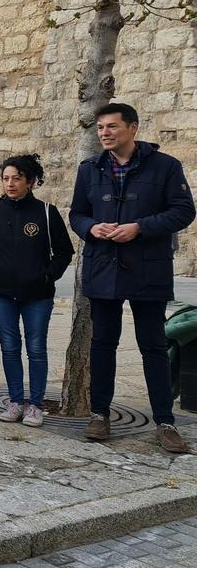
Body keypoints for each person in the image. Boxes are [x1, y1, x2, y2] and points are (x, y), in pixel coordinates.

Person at [70, 102, 196, 453]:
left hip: (148, 269)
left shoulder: (166, 166)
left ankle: (164, 422)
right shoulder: (89, 169)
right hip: (103, 268)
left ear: (133, 128)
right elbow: (77, 214)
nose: (105, 133)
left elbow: (184, 211)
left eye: (112, 126)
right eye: (100, 128)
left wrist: (139, 228)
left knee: (154, 347)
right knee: (102, 345)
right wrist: (92, 227)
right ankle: (99, 415)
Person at [0, 155, 73, 427]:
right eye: (6, 178)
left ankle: (36, 405)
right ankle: (16, 401)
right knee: (9, 347)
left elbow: (64, 252)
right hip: (0, 293)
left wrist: (47, 276)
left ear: (30, 181)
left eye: (17, 178)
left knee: (36, 348)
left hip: (37, 295)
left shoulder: (47, 212)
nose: (10, 183)